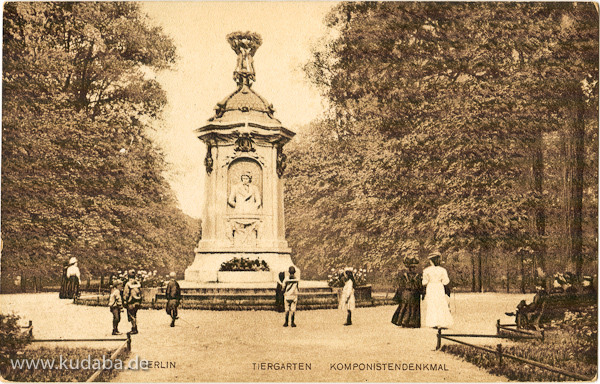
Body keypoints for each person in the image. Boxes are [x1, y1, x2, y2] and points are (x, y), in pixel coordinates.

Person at [422, 251, 453, 329]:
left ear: (431, 261)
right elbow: (446, 281)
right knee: (440, 304)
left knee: (432, 304)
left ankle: (433, 323)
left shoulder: (426, 270)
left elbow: (424, 282)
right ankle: (442, 323)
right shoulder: (442, 270)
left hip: (431, 287)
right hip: (439, 287)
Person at [391, 256, 423, 328]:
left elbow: (400, 286)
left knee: (404, 307)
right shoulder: (418, 275)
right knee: (413, 307)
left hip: (406, 293)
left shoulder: (403, 275)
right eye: (413, 267)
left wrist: (398, 296)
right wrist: (422, 293)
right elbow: (420, 286)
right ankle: (413, 323)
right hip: (414, 294)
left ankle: (403, 321)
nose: (413, 269)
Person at [123, 270, 142, 334]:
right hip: (137, 301)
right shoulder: (138, 283)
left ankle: (134, 328)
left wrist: (125, 301)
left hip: (131, 302)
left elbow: (126, 293)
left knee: (131, 315)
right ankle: (134, 327)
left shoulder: (128, 284)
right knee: (134, 315)